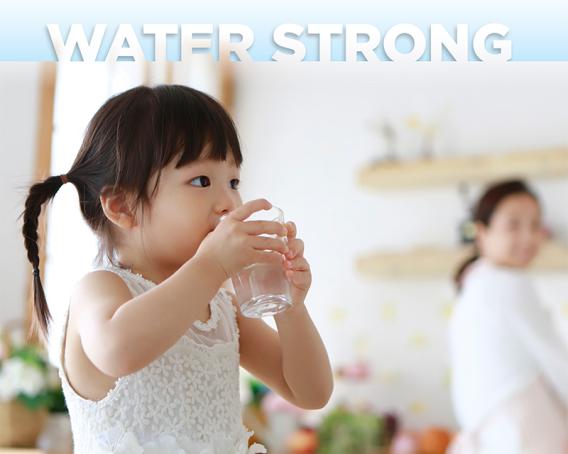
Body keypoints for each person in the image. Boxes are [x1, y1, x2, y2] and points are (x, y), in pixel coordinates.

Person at [19, 84, 333, 453]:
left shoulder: (221, 306)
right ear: (122, 206)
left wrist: (289, 306)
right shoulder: (101, 289)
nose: (230, 202)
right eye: (201, 181)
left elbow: (309, 392)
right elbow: (119, 351)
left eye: (234, 181)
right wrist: (211, 265)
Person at [448, 179, 568, 454]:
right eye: (513, 225)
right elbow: (555, 359)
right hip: (524, 429)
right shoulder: (507, 283)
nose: (528, 237)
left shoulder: (475, 283)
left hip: (496, 431)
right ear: (482, 232)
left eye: (535, 225)